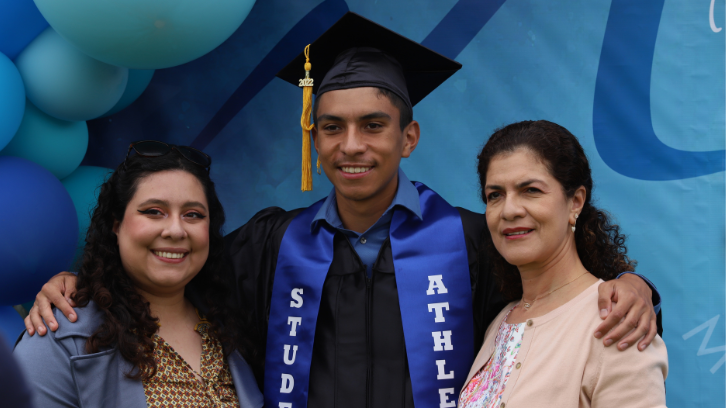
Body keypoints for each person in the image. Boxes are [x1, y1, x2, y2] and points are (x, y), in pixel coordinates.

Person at [24, 13, 661, 408]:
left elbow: (561, 293)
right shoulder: (272, 244)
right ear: (315, 141)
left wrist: (636, 288)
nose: (351, 145)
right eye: (331, 127)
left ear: (407, 138)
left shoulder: (470, 239)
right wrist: (80, 283)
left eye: (373, 125)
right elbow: (167, 272)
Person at [14, 142, 263, 407]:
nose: (176, 230)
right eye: (154, 212)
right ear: (116, 224)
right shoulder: (61, 335)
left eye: (193, 214)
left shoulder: (232, 324)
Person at [459, 120, 667, 407]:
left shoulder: (617, 321)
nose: (509, 210)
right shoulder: (501, 320)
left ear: (575, 202)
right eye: (495, 195)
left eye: (530, 190)